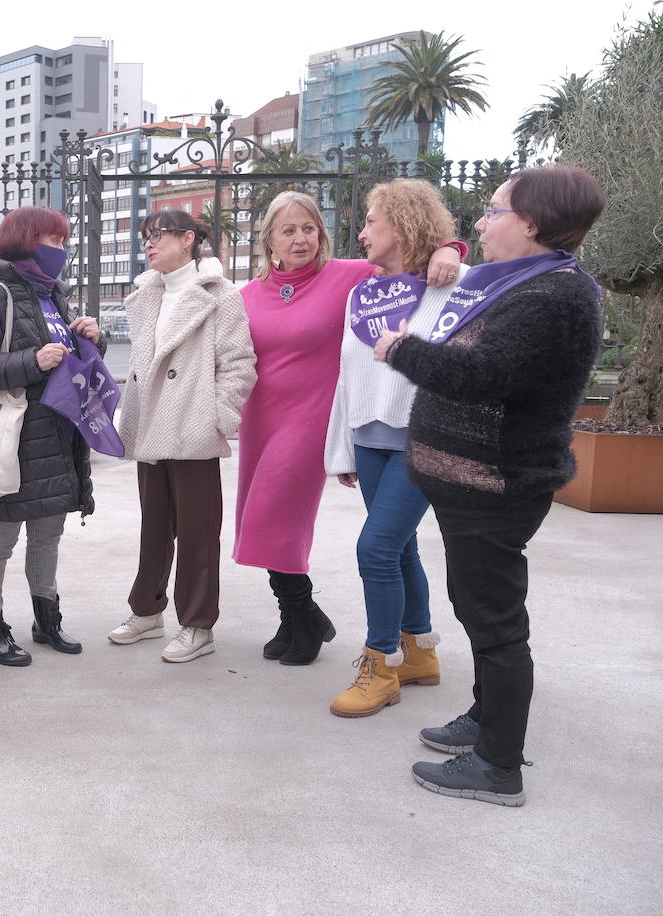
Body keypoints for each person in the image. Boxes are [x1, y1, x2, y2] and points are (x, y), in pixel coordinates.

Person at [375, 165, 606, 805]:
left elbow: (483, 374)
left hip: (496, 485)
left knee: (496, 622)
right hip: (473, 485)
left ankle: (498, 766)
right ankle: (485, 718)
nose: (480, 222)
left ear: (530, 223)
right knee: (478, 608)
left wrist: (401, 349)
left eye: (494, 210)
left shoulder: (553, 296)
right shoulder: (521, 283)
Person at [235, 191, 464, 666]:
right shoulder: (248, 294)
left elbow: (414, 259)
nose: (301, 239)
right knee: (259, 519)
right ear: (269, 241)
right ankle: (297, 617)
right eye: (288, 231)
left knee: (276, 516)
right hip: (262, 417)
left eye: (309, 228)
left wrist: (451, 248)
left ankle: (306, 614)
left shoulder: (350, 275)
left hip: (313, 416)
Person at [323, 179, 469, 717]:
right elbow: (347, 374)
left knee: (375, 550)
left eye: (371, 223)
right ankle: (419, 653)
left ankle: (380, 665)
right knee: (400, 548)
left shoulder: (450, 285)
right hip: (369, 438)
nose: (361, 234)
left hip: (421, 440)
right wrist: (344, 448)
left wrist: (453, 250)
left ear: (404, 225)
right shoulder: (362, 294)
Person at [110, 209, 256, 663]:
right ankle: (147, 611)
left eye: (157, 235)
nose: (148, 245)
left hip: (192, 425)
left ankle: (197, 624)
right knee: (153, 527)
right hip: (151, 425)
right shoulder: (147, 294)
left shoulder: (219, 294)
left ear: (188, 238)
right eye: (145, 237)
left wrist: (216, 418)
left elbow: (239, 363)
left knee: (198, 533)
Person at [0, 206, 101, 666]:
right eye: (52, 241)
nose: (60, 250)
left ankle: (47, 621)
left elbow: (70, 364)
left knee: (48, 535)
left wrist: (90, 340)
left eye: (63, 242)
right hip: (13, 442)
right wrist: (32, 361)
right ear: (25, 240)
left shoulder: (54, 295)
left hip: (57, 439)